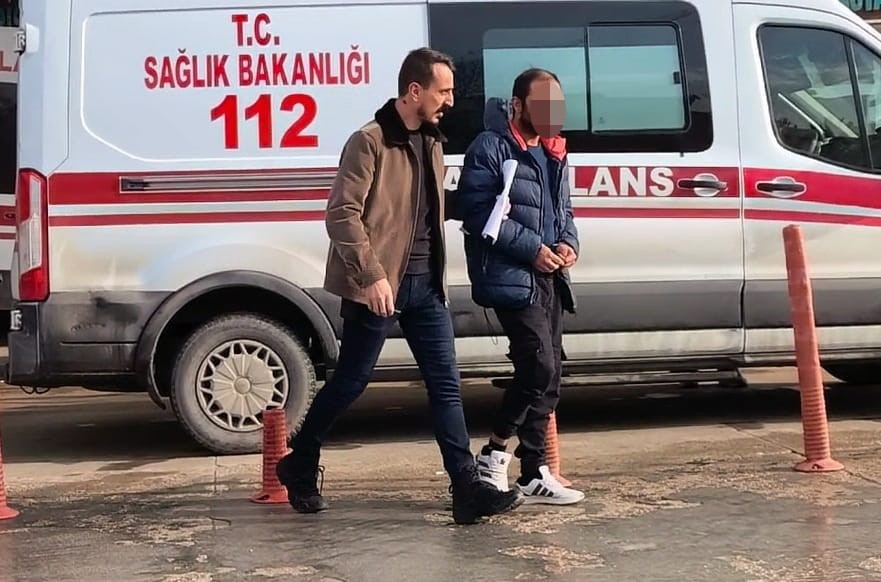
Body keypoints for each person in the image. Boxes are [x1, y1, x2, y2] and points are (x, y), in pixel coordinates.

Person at [275, 47, 524, 525]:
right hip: (379, 286)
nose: (450, 100)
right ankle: (299, 461)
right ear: (414, 91)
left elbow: (426, 206)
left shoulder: (430, 141)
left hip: (425, 286)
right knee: (351, 382)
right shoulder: (369, 142)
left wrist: (485, 206)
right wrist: (371, 276)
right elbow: (341, 214)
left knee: (445, 385)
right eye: (443, 91)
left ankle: (466, 489)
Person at [456, 68, 584, 505]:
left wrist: (568, 243)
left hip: (550, 276)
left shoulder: (554, 151)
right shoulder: (491, 147)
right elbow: (477, 212)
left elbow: (564, 211)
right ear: (517, 105)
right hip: (511, 277)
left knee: (551, 375)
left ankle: (534, 471)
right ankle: (493, 454)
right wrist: (532, 249)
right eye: (542, 104)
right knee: (538, 368)